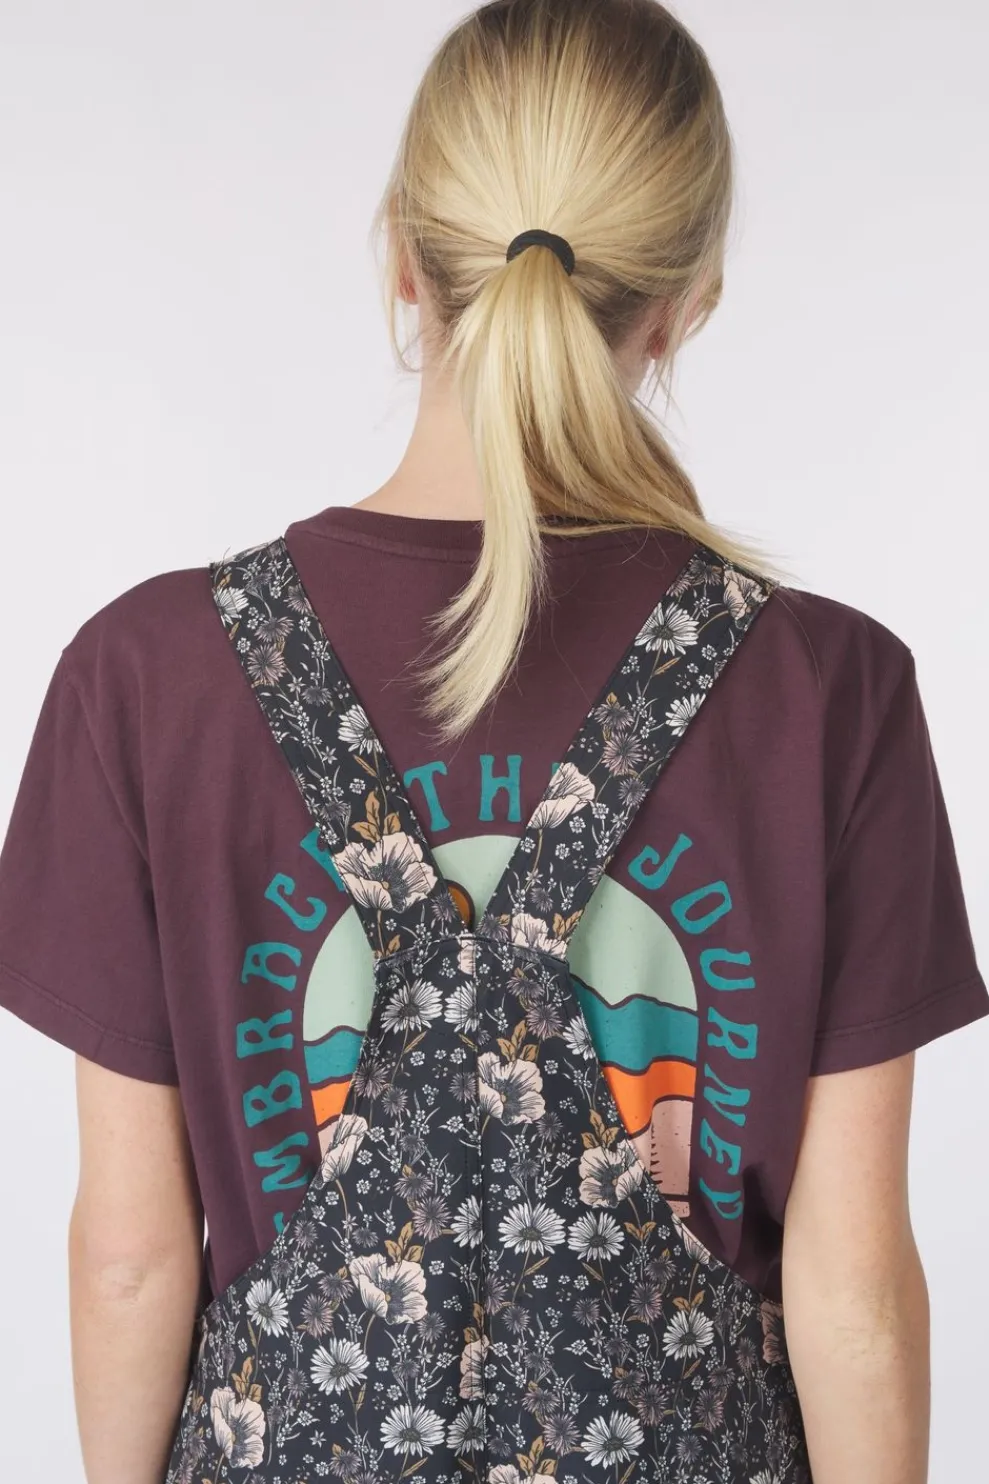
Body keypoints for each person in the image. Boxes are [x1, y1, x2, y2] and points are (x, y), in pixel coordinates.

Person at [0, 1, 985, 1481]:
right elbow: (854, 1293)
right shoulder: (828, 689)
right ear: (686, 300)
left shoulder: (147, 678)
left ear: (402, 255)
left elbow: (131, 1260)